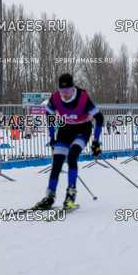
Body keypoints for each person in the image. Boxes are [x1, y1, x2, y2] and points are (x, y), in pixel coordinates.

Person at [33, 73, 104, 210]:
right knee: (57, 162)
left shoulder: (83, 97)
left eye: (67, 90)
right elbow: (49, 115)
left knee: (72, 157)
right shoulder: (55, 98)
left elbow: (99, 118)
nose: (65, 94)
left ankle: (71, 195)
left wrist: (96, 141)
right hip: (65, 129)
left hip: (82, 129)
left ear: (73, 88)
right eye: (62, 90)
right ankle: (49, 196)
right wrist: (52, 137)